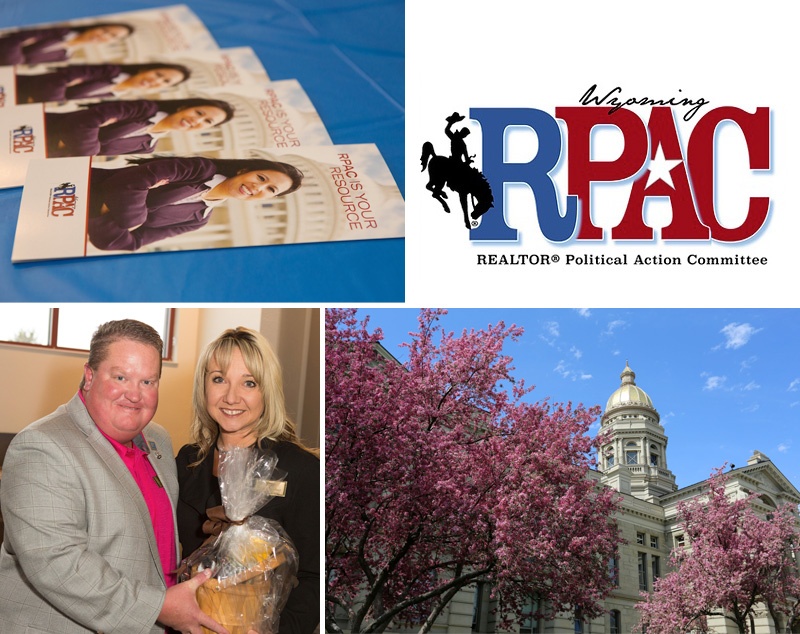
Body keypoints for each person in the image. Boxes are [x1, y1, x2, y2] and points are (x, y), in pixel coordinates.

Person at [0, 319, 229, 634]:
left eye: (148, 382)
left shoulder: (157, 440)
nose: (134, 395)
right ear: (89, 376)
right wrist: (159, 607)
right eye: (121, 377)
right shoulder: (41, 446)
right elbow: (56, 563)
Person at [176, 327, 320, 634]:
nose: (231, 396)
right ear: (204, 385)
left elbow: (314, 575)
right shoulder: (187, 462)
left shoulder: (301, 469)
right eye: (219, 379)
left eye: (249, 383)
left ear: (267, 390)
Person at [87, 156, 304, 252]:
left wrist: (115, 204)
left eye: (270, 190)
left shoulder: (198, 221)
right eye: (261, 178)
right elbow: (129, 182)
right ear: (244, 170)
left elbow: (128, 243)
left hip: (77, 225)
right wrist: (134, 219)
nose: (258, 188)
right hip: (75, 189)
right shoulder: (200, 169)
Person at [44, 97, 235, 157]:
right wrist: (89, 147)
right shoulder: (145, 108)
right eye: (199, 113)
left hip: (50, 156)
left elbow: (95, 152)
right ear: (184, 107)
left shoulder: (147, 147)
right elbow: (87, 121)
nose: (197, 121)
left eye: (207, 122)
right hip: (44, 129)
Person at [15, 61, 191, 104]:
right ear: (146, 69)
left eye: (165, 81)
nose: (156, 80)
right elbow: (58, 79)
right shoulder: (109, 71)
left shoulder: (127, 104)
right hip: (19, 90)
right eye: (158, 73)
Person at [0, 22, 133, 65]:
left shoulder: (65, 57)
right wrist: (18, 56)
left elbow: (25, 61)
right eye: (105, 30)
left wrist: (18, 55)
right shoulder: (61, 30)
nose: (104, 35)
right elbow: (15, 39)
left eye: (112, 36)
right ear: (96, 26)